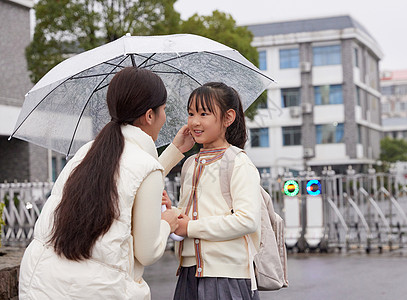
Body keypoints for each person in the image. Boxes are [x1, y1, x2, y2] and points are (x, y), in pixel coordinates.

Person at [19, 67, 195, 299]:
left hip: (39, 284)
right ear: (149, 115)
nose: (165, 117)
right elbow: (148, 252)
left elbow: (125, 180)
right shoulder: (144, 166)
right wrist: (167, 223)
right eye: (163, 109)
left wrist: (173, 152)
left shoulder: (88, 151)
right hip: (96, 290)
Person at [164, 82, 262, 300]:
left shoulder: (238, 162)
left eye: (204, 113)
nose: (195, 122)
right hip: (188, 273)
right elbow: (188, 218)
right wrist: (172, 211)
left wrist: (190, 227)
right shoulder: (190, 163)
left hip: (227, 276)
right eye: (191, 113)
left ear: (228, 118)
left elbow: (247, 220)